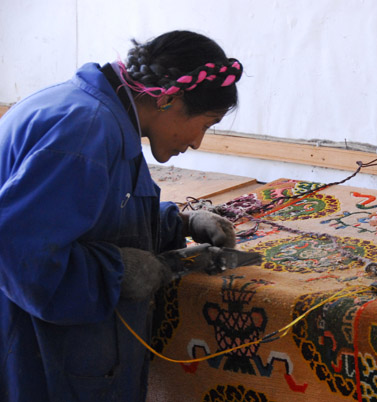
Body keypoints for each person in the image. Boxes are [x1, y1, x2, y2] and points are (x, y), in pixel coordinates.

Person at [0, 30, 243, 401]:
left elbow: (100, 213)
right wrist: (117, 271)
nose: (197, 143)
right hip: (42, 356)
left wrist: (179, 224)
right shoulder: (85, 131)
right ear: (170, 98)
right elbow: (21, 255)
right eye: (205, 125)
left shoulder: (103, 112)